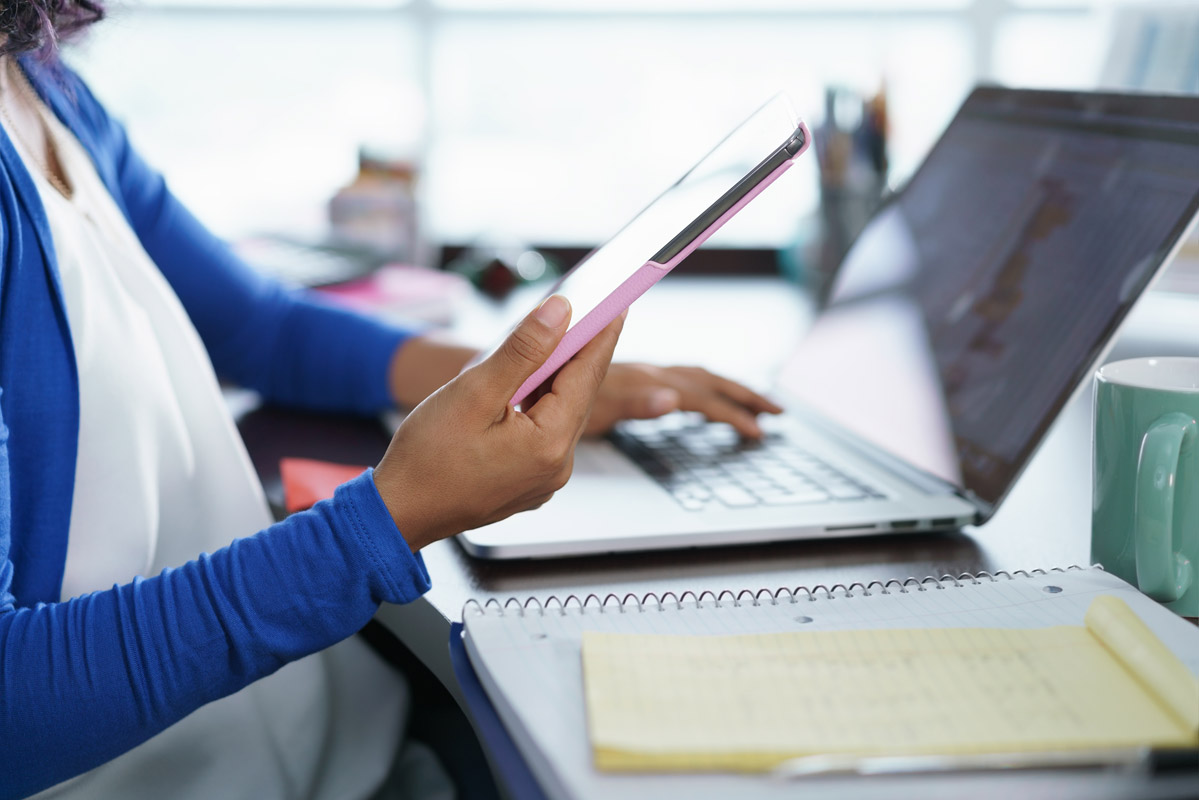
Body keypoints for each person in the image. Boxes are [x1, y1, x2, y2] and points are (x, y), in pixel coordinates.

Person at [0, 3, 781, 799]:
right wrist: (391, 515)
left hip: (314, 730)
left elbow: (259, 326)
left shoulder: (39, 84)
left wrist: (520, 371)